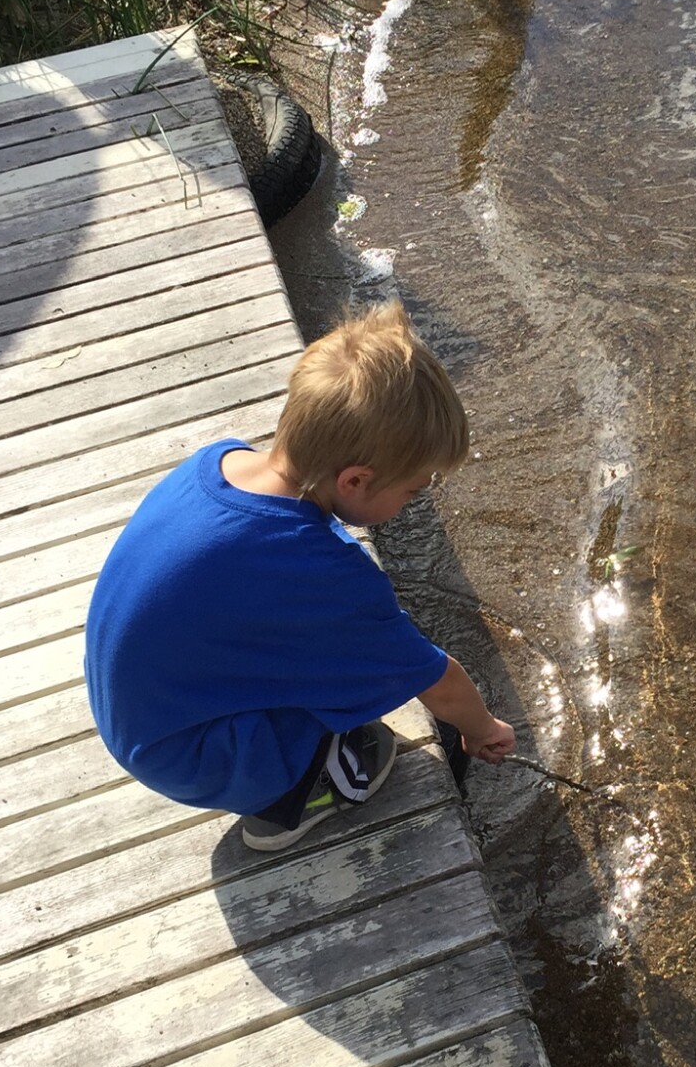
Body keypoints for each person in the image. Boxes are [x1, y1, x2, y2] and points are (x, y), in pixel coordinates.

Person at [84, 301, 515, 852]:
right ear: (356, 480)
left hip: (141, 713)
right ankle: (291, 802)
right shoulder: (322, 576)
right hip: (189, 758)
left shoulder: (220, 460)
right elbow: (437, 680)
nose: (415, 501)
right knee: (370, 746)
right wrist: (482, 731)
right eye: (414, 490)